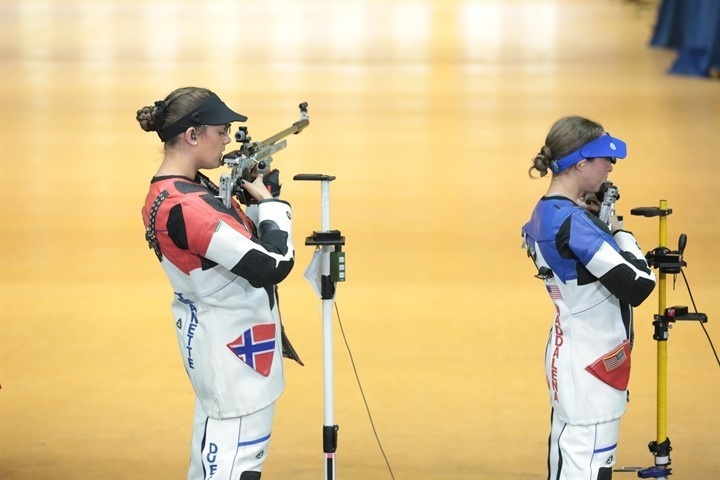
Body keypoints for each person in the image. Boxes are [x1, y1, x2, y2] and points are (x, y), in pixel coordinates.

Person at [137, 87, 301, 480]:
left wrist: (261, 199)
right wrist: (274, 207)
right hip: (233, 355)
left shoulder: (184, 190)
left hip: (230, 345)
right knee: (233, 466)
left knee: (222, 461)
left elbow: (238, 241)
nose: (228, 140)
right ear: (192, 135)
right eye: (223, 130)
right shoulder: (188, 207)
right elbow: (273, 263)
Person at [521, 116, 657, 480]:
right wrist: (619, 232)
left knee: (569, 462)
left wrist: (594, 221)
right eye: (604, 159)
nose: (610, 167)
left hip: (575, 354)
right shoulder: (574, 224)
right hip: (593, 366)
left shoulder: (547, 211)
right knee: (588, 467)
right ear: (580, 163)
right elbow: (639, 284)